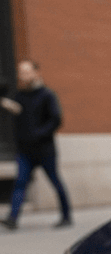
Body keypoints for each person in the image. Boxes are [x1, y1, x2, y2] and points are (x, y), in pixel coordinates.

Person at [1, 59, 71, 230]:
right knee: (20, 182)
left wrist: (38, 134)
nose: (22, 75)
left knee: (55, 181)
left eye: (26, 71)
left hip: (45, 149)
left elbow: (56, 119)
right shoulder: (20, 96)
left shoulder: (47, 95)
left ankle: (66, 216)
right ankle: (12, 219)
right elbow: (20, 117)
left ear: (36, 73)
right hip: (25, 151)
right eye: (20, 72)